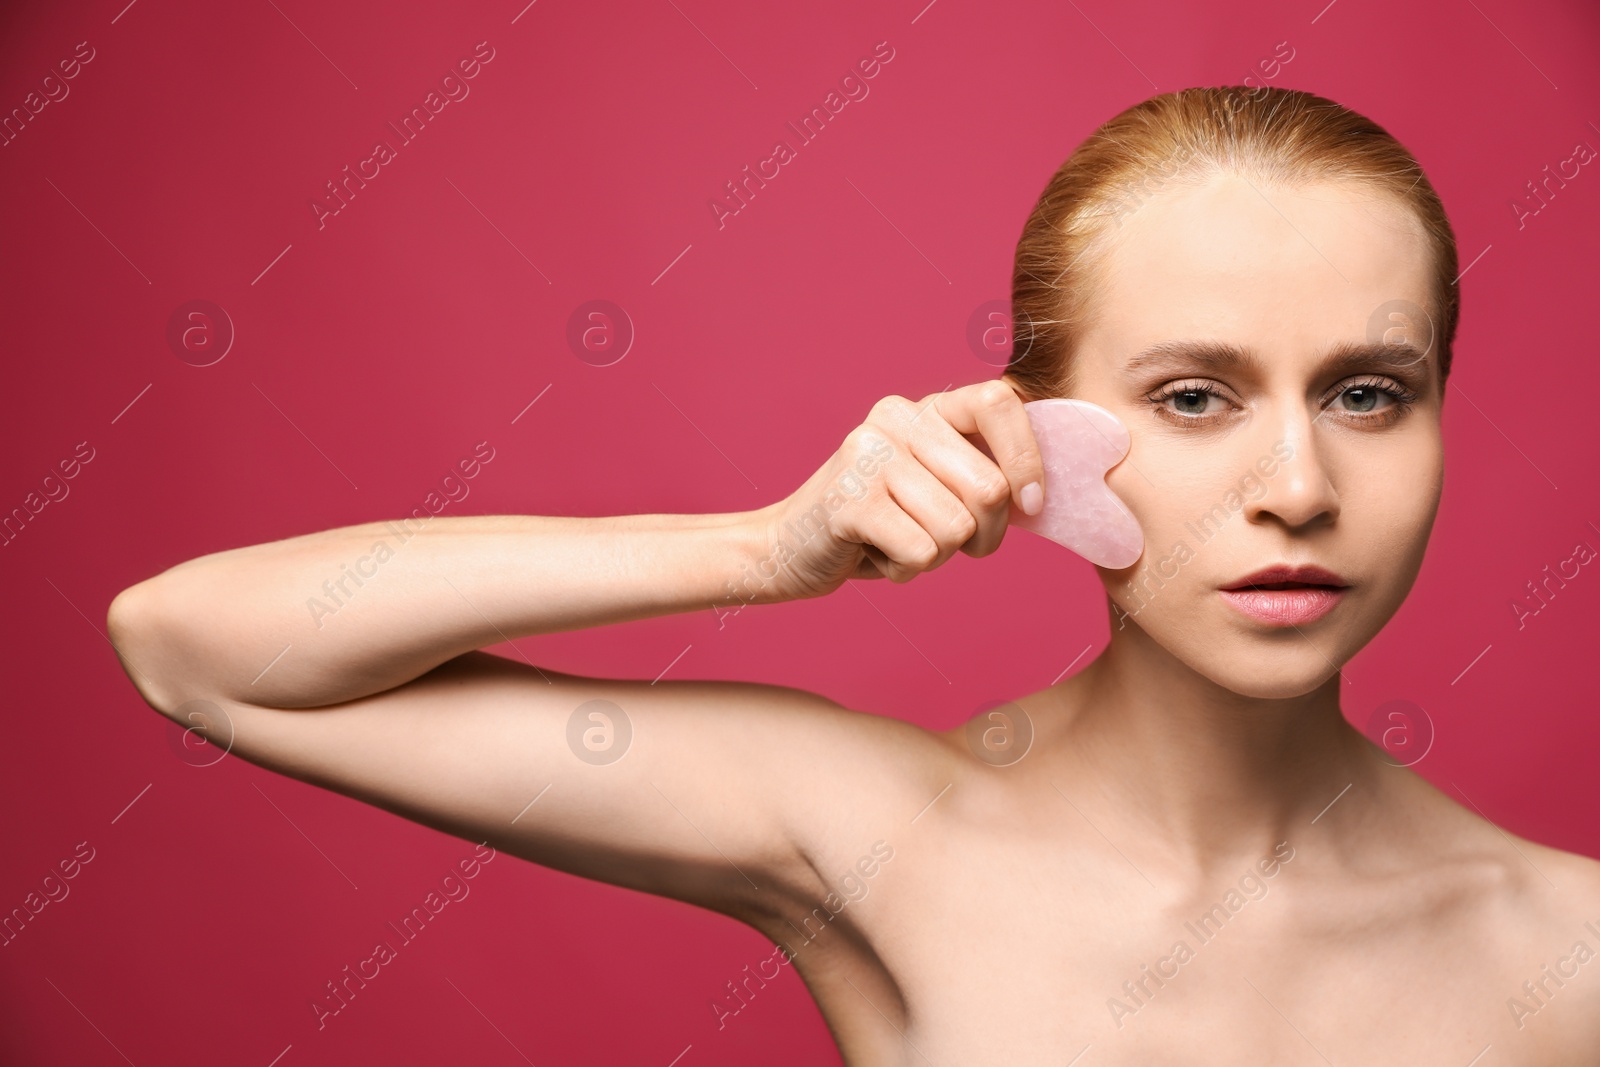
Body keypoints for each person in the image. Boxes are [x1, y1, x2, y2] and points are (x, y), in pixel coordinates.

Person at [107, 86, 1600, 1063]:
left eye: (1367, 393)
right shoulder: (880, 835)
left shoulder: (1569, 951)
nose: (1295, 490)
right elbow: (192, 648)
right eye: (1193, 398)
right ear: (1034, 437)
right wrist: (764, 550)